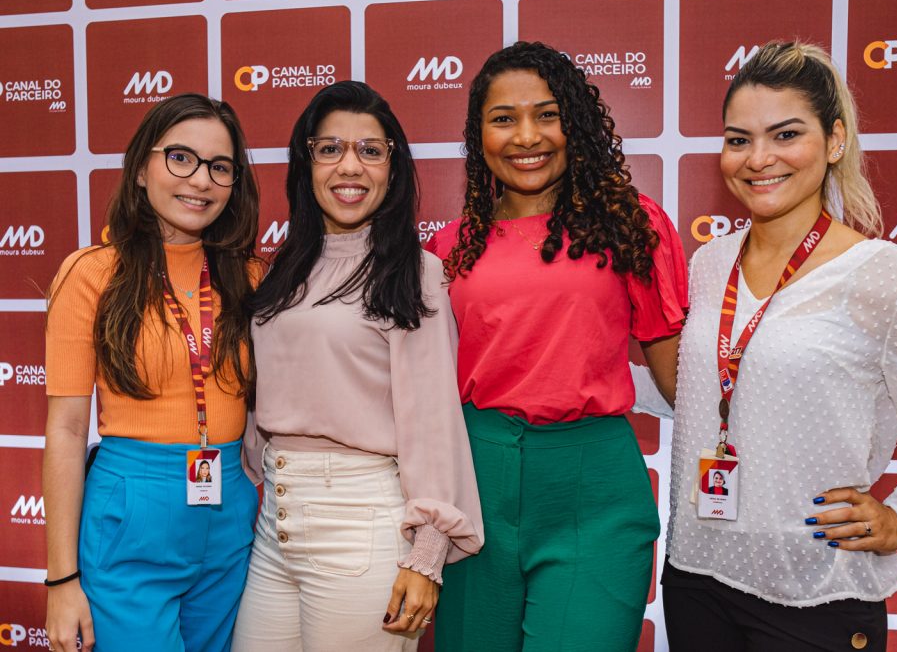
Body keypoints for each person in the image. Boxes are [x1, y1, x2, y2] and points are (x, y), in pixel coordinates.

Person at [632, 41, 897, 651]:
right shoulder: (710, 263)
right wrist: (573, 369)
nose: (758, 159)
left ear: (835, 140)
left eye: (785, 135)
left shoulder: (887, 276)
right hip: (697, 572)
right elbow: (703, 389)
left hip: (816, 589)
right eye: (738, 139)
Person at [425, 41, 688, 652]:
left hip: (592, 488)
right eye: (503, 119)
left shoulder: (631, 223)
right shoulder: (448, 247)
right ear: (478, 134)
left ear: (577, 122)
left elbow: (681, 379)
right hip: (475, 485)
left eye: (548, 114)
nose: (526, 136)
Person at [233, 81, 483, 652]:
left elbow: (433, 421)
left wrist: (426, 555)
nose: (351, 166)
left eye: (371, 150)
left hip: (362, 524)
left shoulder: (413, 272)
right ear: (307, 163)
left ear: (393, 168)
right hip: (275, 525)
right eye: (331, 149)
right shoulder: (283, 271)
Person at [43, 94, 262, 652]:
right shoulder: (91, 274)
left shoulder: (253, 277)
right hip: (132, 509)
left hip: (231, 505)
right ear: (141, 168)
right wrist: (61, 580)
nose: (201, 181)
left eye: (220, 166)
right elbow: (67, 431)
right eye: (180, 158)